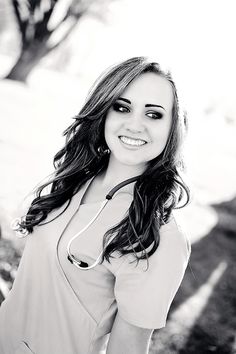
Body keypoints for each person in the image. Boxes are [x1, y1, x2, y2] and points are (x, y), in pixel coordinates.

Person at [0, 56, 191, 354]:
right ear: (103, 111)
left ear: (172, 128)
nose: (135, 124)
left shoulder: (159, 236)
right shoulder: (76, 178)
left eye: (154, 115)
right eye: (122, 107)